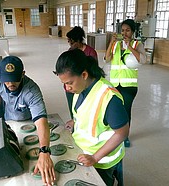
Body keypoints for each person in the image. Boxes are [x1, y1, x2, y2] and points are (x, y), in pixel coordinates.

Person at [54, 49, 129, 186]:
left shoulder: (108, 98)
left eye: (69, 83)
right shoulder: (80, 88)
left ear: (84, 74)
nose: (67, 88)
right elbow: (87, 113)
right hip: (83, 153)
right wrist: (75, 121)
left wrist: (95, 157)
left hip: (103, 161)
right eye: (64, 84)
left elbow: (122, 133)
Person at [0, 56, 55, 185]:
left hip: (29, 122)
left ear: (23, 74)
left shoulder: (32, 91)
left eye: (14, 80)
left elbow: (41, 120)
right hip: (10, 119)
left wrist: (44, 151)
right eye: (7, 81)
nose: (10, 84)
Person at [104, 19, 146, 147]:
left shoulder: (137, 44)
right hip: (115, 84)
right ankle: (116, 133)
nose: (125, 33)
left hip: (129, 86)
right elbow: (107, 59)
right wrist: (111, 42)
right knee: (115, 109)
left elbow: (143, 59)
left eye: (128, 30)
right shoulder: (116, 45)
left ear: (133, 32)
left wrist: (129, 47)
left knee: (126, 111)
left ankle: (125, 136)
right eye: (122, 30)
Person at [65, 26, 98, 126]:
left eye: (72, 41)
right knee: (73, 110)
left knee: (85, 111)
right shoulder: (70, 52)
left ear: (79, 40)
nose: (70, 44)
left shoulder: (90, 53)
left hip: (85, 88)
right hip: (71, 89)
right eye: (69, 42)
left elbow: (93, 72)